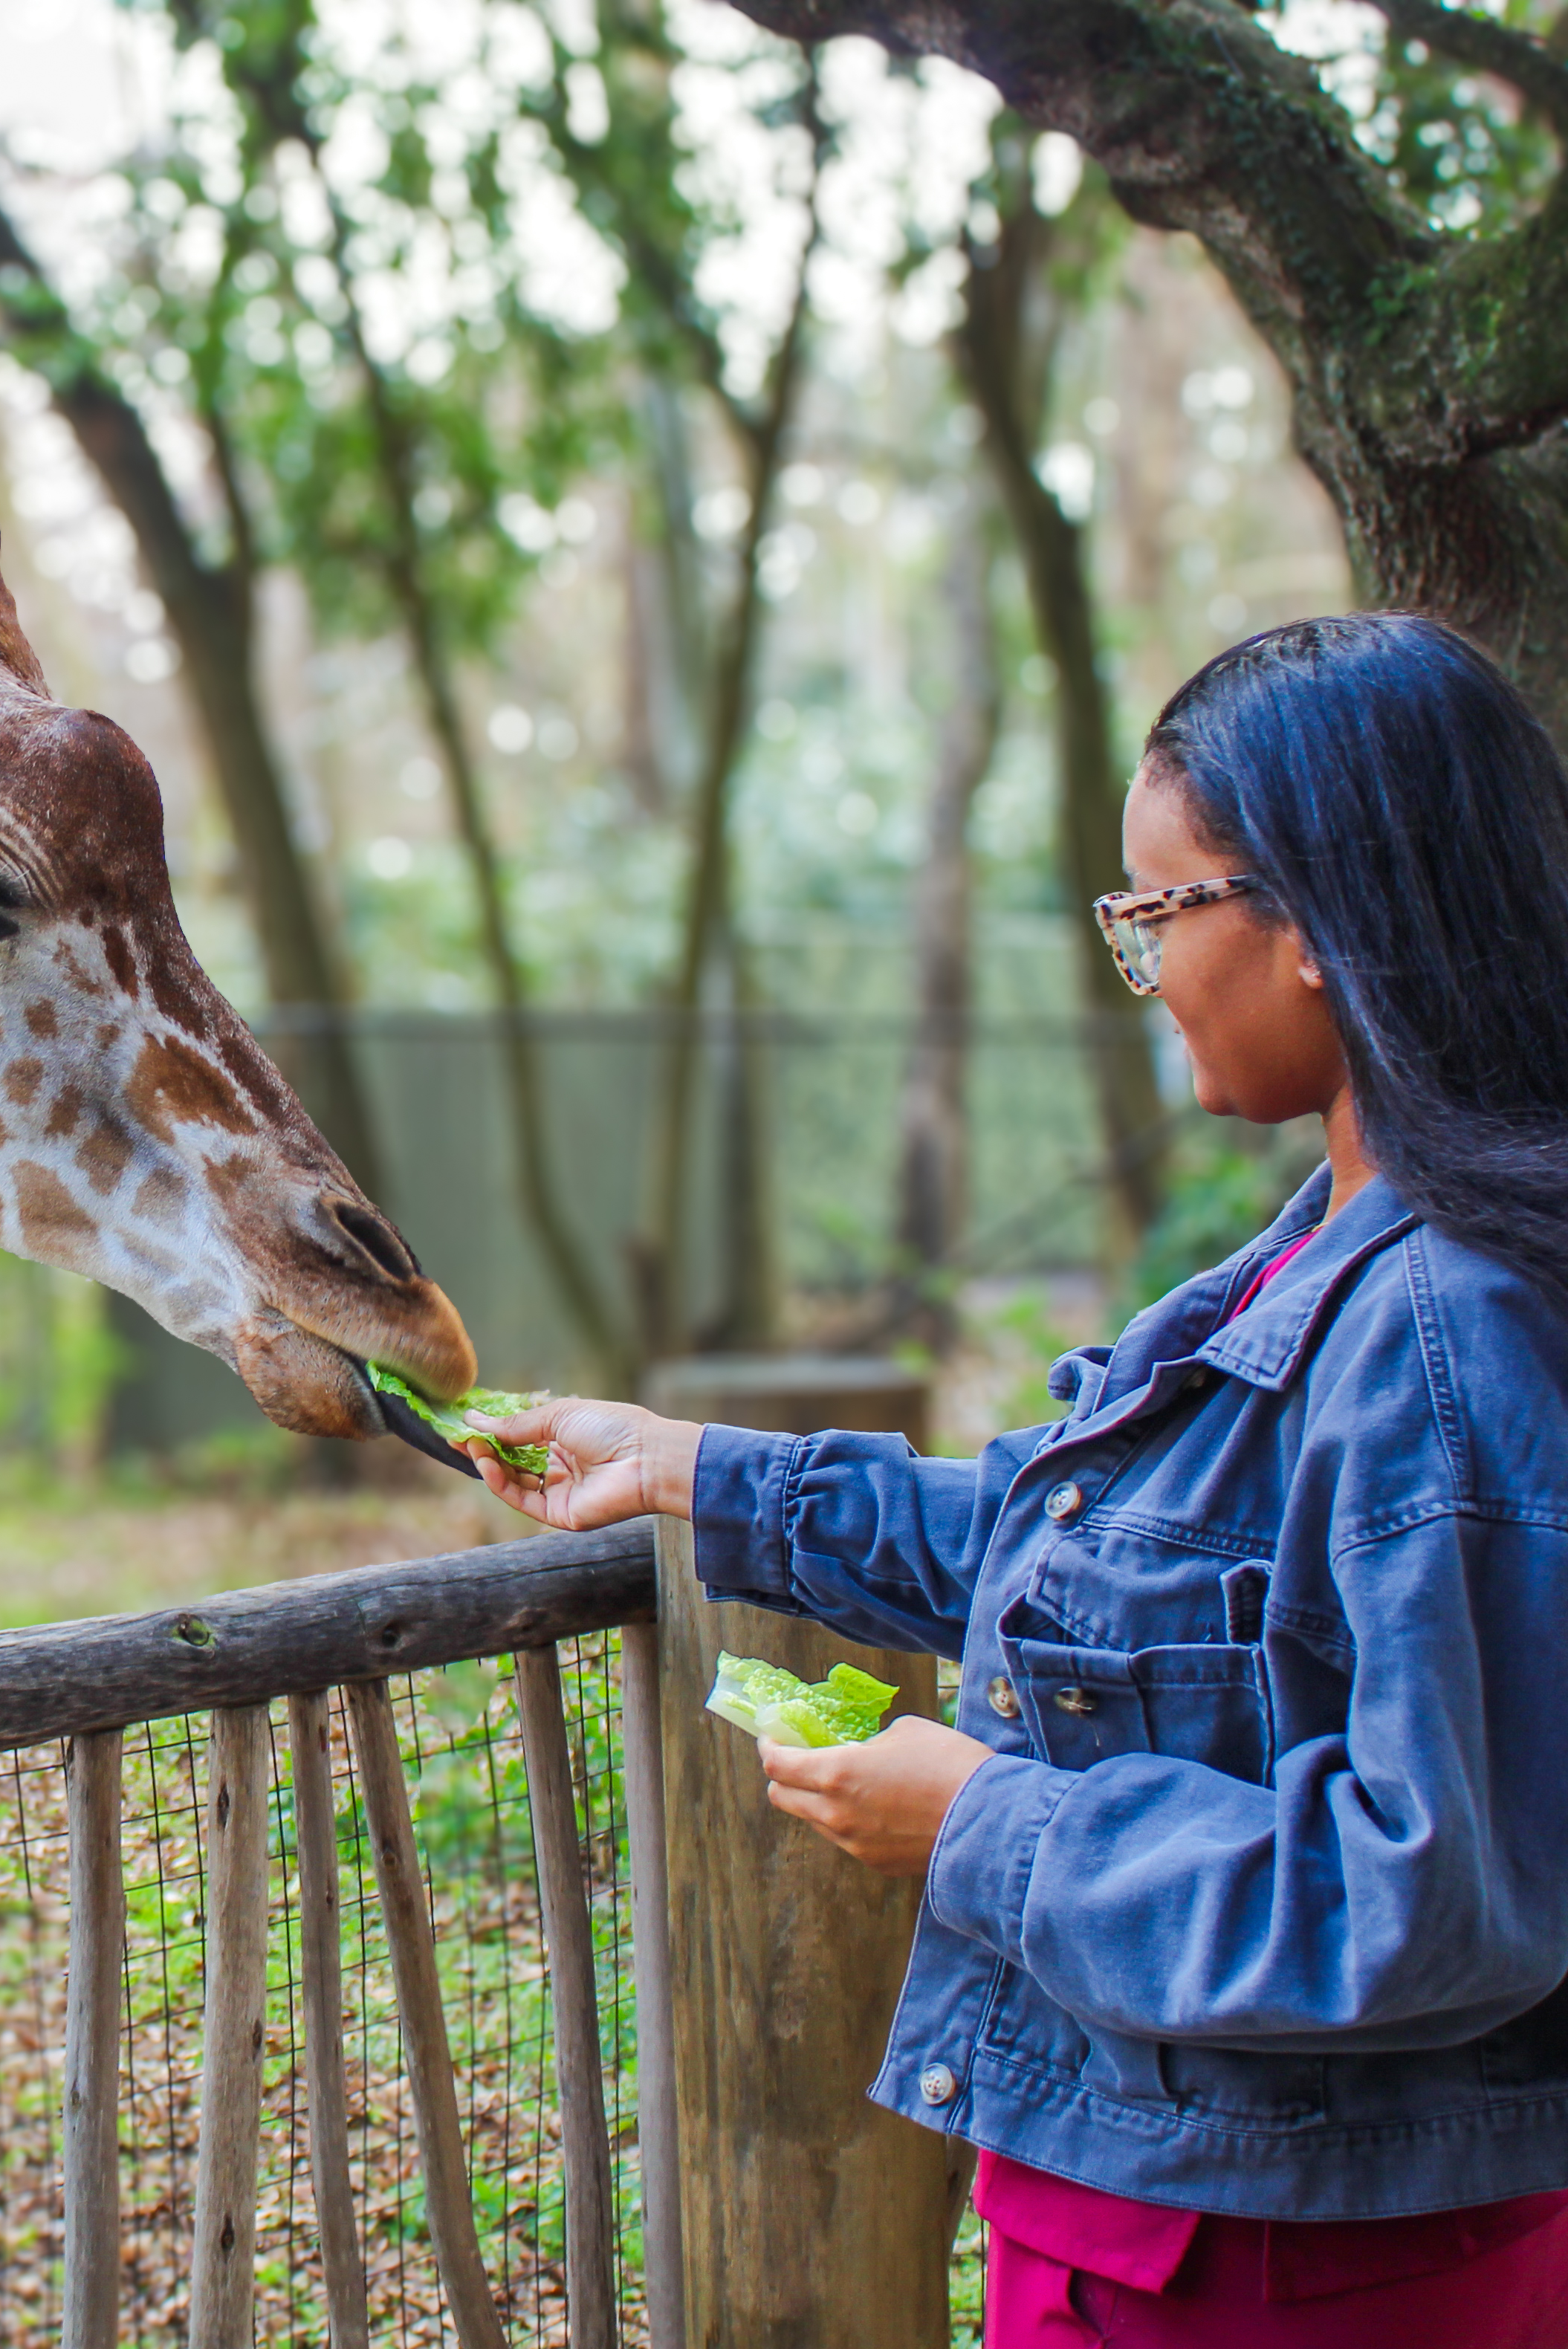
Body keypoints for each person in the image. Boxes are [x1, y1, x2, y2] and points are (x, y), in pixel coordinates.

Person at [467, 613, 1568, 2344]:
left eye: (1157, 911)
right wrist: (696, 1470)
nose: (1138, 965)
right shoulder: (1327, 1248)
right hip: (1170, 2216)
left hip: (1296, 2273)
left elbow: (1437, 1896)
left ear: (1318, 923)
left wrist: (985, 1827)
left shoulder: (1448, 1327)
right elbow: (1117, 1553)